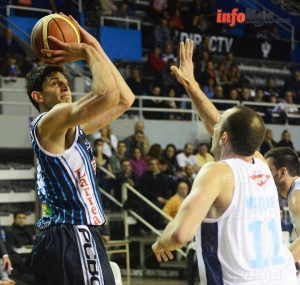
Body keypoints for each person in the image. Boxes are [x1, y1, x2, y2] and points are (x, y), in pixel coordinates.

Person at [152, 39, 298, 284]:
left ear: (225, 138)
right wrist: (191, 85)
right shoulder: (261, 164)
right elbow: (219, 124)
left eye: (219, 129)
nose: (214, 127)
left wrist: (160, 243)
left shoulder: (217, 172)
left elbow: (180, 234)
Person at [25, 13, 135, 285]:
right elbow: (107, 94)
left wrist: (95, 45)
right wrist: (85, 51)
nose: (64, 85)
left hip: (66, 236)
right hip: (72, 234)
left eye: (64, 80)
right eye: (54, 83)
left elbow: (124, 99)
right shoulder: (48, 121)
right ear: (37, 97)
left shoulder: (70, 129)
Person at [265, 147, 300, 263]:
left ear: (282, 172)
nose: (265, 177)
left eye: (268, 171)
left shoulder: (296, 195)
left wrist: (281, 265)